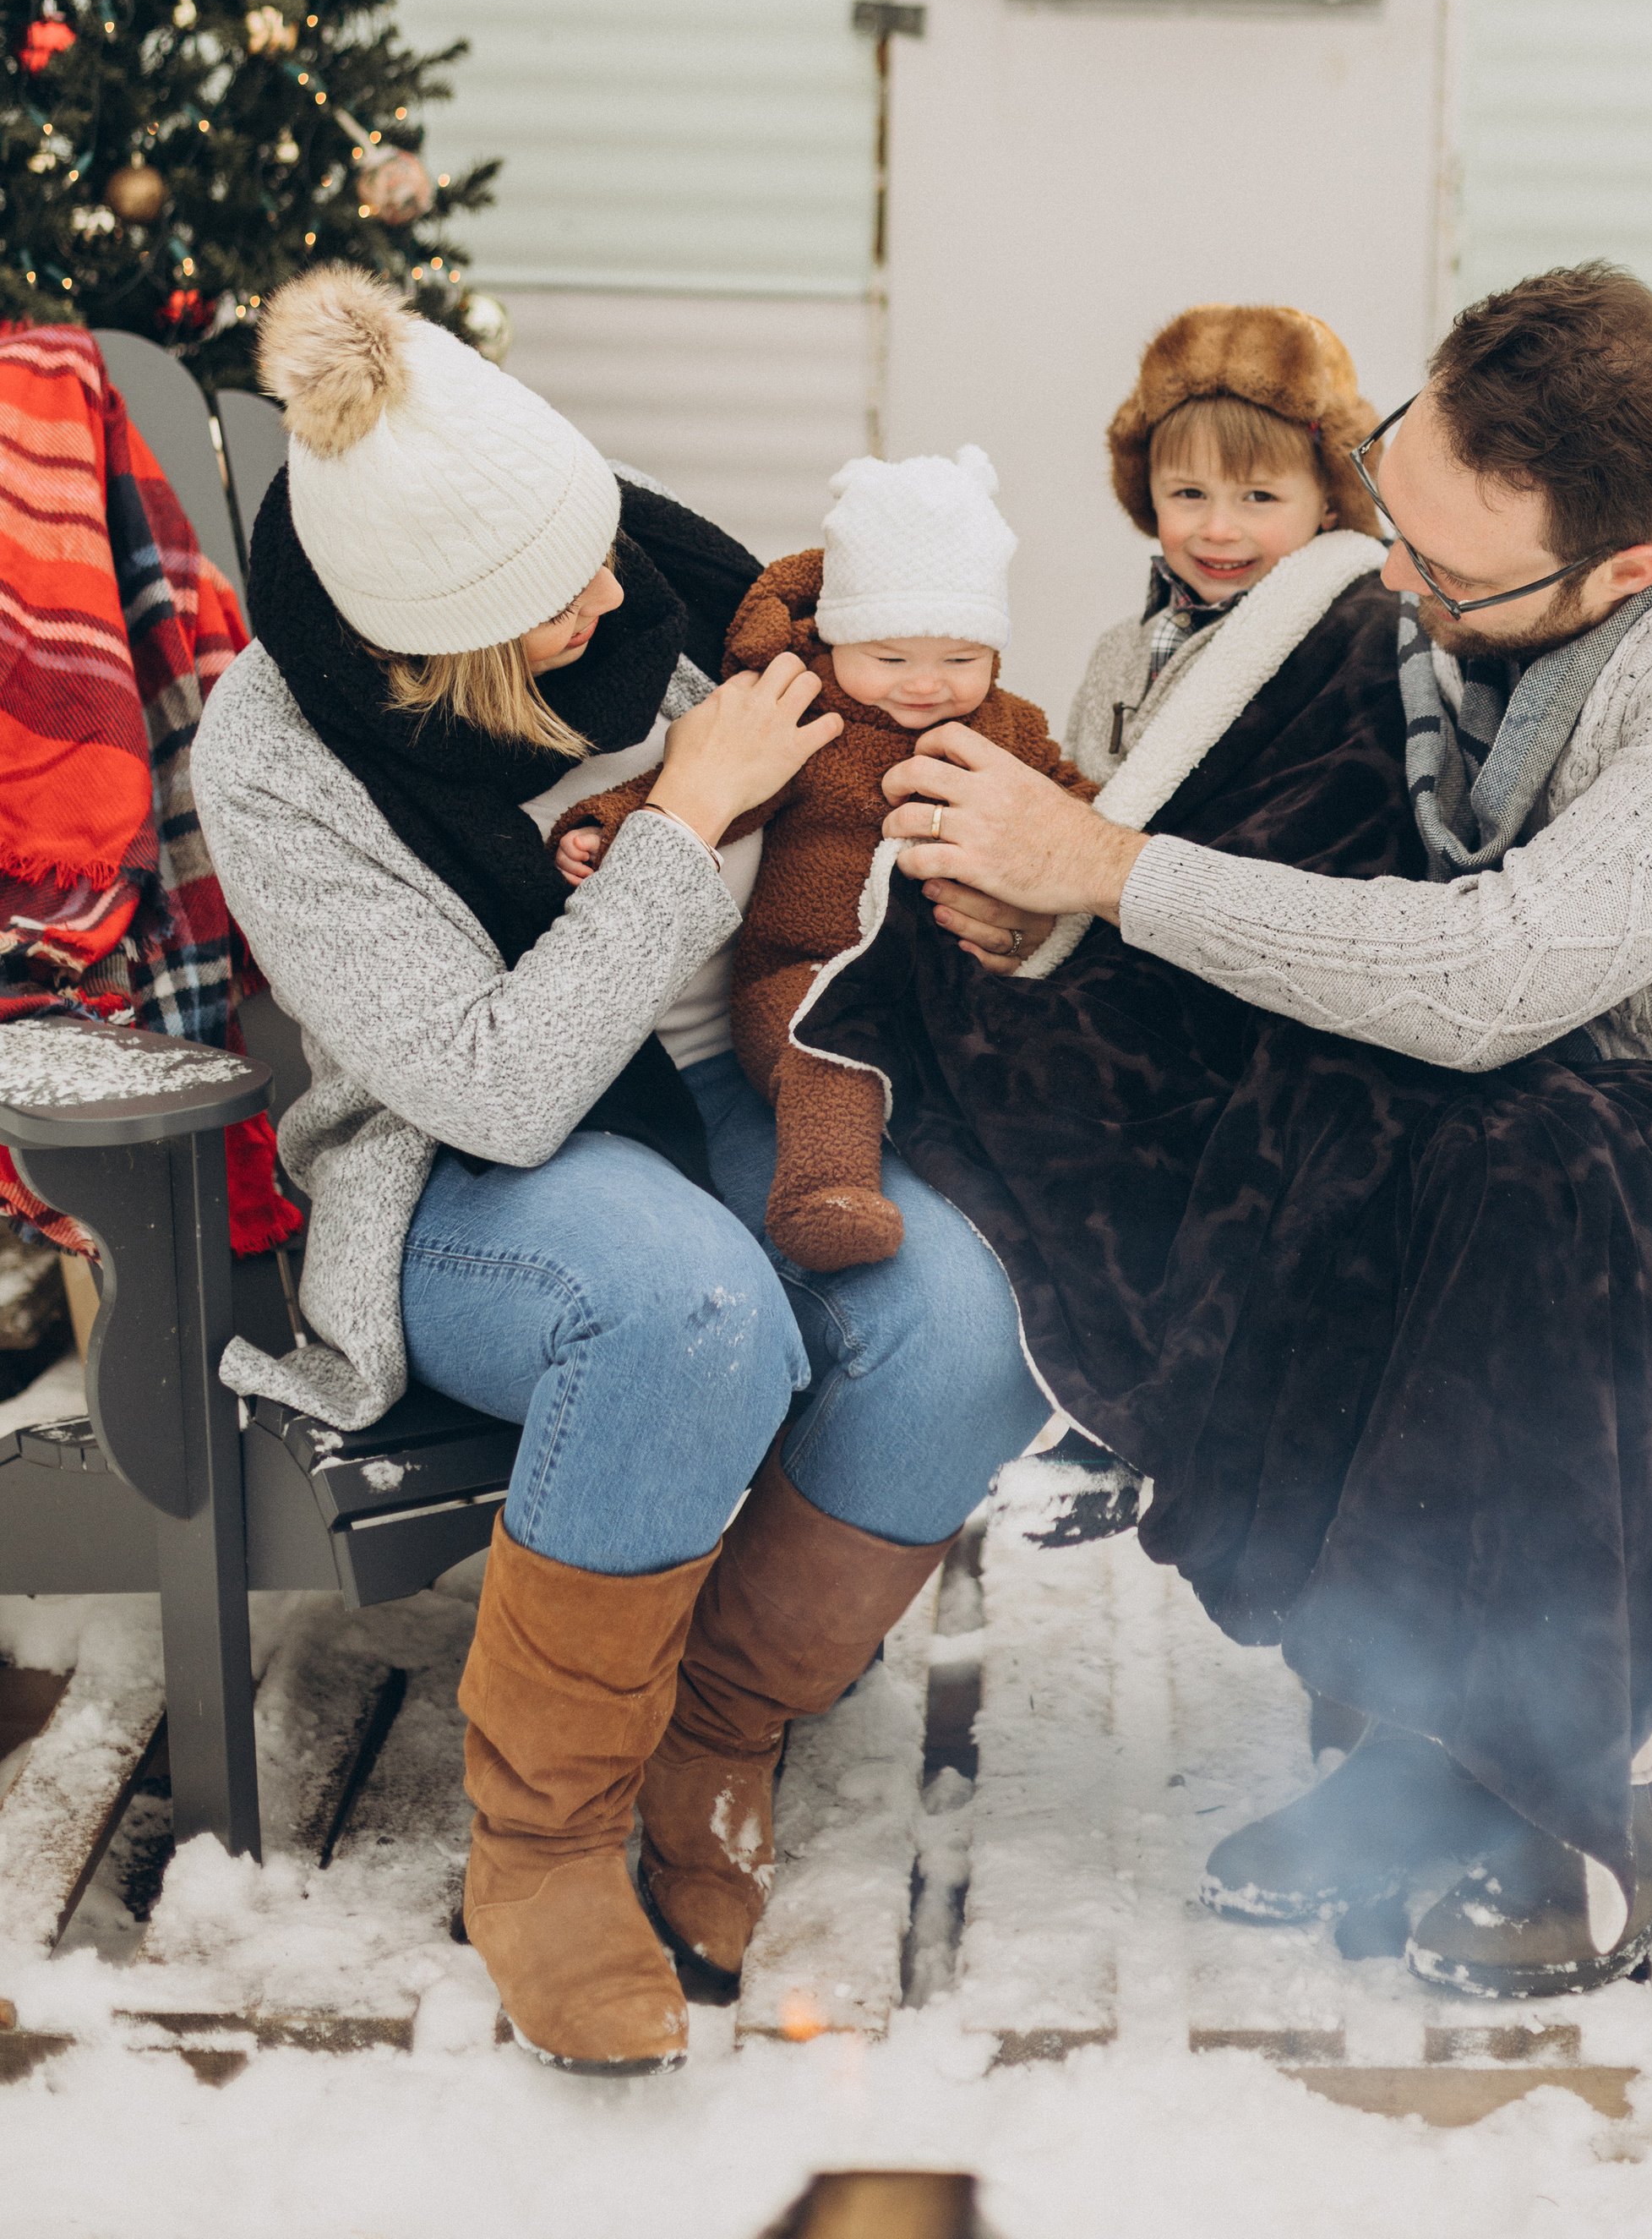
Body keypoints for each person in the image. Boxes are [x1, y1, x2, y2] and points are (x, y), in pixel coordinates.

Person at [873, 262, 1652, 1997]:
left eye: (1437, 574)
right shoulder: (1538, 508)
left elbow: (1491, 981)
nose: (1395, 587)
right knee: (1314, 1115)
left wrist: (1110, 873)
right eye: (1387, 498)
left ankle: (1604, 1780)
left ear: (1623, 574)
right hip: (1605, 1080)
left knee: (1524, 1184)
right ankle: (1441, 1711)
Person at [193, 270, 1047, 2076]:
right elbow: (489, 1090)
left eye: (596, 547)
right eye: (559, 600)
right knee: (684, 1308)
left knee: (964, 1322)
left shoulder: (654, 580)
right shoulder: (284, 755)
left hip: (735, 1074)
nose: (617, 600)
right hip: (467, 1170)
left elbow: (813, 854)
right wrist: (676, 826)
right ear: (435, 660)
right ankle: (547, 1848)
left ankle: (715, 1738)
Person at [550, 446, 1095, 1271]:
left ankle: (1068, 1215)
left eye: (960, 660)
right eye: (890, 657)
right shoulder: (804, 717)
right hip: (803, 970)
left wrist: (1103, 849)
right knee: (829, 1046)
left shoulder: (1008, 728)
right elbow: (711, 789)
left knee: (1053, 1055)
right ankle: (823, 1194)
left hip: (955, 981)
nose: (925, 686)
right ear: (837, 639)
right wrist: (609, 823)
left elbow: (1075, 810)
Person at [1062, 304, 1377, 783]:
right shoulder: (1120, 649)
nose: (1218, 530)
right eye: (1189, 493)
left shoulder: (1347, 647)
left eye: (1259, 496)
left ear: (1330, 503)